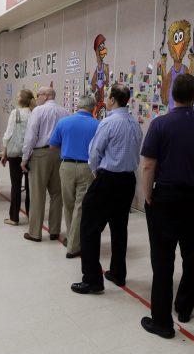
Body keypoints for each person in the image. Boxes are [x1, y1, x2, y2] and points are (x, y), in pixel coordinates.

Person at [139, 74, 194, 338]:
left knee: (162, 260)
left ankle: (161, 321)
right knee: (192, 256)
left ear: (172, 93)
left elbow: (149, 164)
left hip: (165, 198)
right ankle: (184, 308)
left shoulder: (160, 124)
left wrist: (147, 193)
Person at [71, 84, 143, 294]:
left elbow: (94, 153)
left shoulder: (109, 122)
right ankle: (118, 273)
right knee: (119, 228)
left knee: (90, 228)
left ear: (112, 99)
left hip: (108, 179)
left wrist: (96, 173)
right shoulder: (134, 123)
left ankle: (92, 279)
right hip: (128, 181)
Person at [49, 95, 98, 259]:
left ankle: (71, 239)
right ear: (93, 108)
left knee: (69, 204)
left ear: (78, 106)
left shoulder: (64, 122)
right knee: (80, 206)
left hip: (66, 166)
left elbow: (53, 145)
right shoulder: (97, 125)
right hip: (87, 168)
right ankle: (74, 246)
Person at [21, 87, 67, 242]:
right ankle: (54, 231)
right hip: (60, 154)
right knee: (57, 194)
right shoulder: (64, 112)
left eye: (38, 95)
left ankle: (35, 232)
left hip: (40, 154)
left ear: (46, 96)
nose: (37, 97)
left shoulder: (38, 111)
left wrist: (25, 158)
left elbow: (31, 136)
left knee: (37, 194)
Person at [1, 89, 35, 225]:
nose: (16, 96)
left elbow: (8, 134)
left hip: (15, 154)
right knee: (30, 186)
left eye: (18, 95)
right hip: (31, 154)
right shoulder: (34, 113)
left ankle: (14, 217)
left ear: (22, 99)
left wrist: (4, 152)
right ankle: (30, 214)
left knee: (15, 185)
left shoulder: (16, 113)